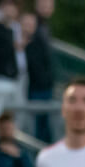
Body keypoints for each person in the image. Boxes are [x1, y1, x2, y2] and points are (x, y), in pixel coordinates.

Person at [23, 6, 55, 143]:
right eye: (26, 24)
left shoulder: (39, 41)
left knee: (43, 126)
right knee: (32, 127)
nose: (29, 27)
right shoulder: (16, 43)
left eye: (32, 24)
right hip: (29, 89)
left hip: (41, 88)